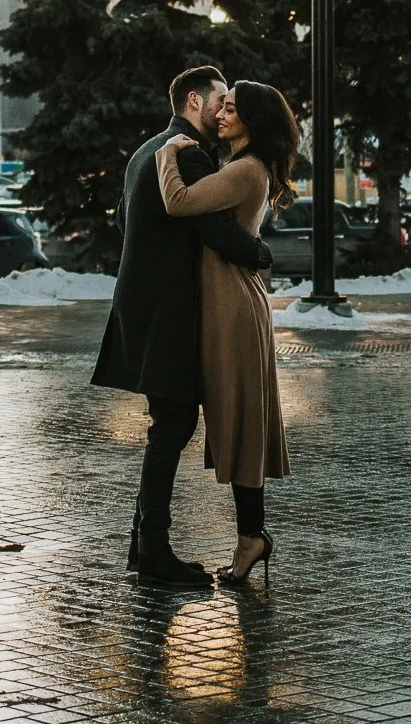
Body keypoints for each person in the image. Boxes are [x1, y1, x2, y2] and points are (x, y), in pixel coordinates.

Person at [92, 66, 274, 587]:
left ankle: (147, 547)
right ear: (195, 101)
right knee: (171, 428)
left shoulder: (146, 149)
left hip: (141, 305)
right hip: (168, 310)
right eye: (219, 100)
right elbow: (214, 228)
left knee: (168, 426)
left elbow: (125, 221)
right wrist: (260, 252)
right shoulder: (186, 152)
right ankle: (152, 553)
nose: (223, 110)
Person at [155, 79, 296, 585]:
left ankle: (251, 538)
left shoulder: (244, 170)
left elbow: (177, 201)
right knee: (239, 422)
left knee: (241, 423)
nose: (221, 116)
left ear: (251, 122)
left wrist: (167, 151)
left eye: (231, 110)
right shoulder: (240, 166)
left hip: (234, 308)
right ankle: (251, 537)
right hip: (231, 302)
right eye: (222, 107)